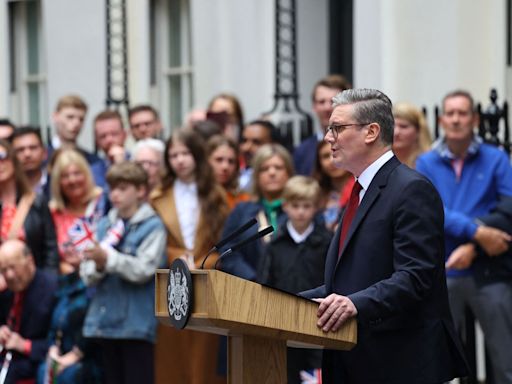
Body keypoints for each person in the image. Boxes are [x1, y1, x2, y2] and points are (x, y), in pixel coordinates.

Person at [303, 88, 467, 383]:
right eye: (330, 129)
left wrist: (355, 304)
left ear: (371, 132)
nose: (329, 137)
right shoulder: (359, 191)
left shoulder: (410, 189)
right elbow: (347, 281)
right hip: (353, 357)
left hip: (399, 361)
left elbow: (416, 276)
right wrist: (283, 301)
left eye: (337, 128)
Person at [416, 89, 512, 384]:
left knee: (505, 357)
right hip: (444, 269)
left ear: (475, 119)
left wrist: (473, 246)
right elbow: (431, 210)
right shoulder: (426, 163)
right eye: (451, 113)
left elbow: (508, 208)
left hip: (489, 269)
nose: (456, 120)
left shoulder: (496, 158)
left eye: (462, 113)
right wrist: (476, 231)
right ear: (442, 120)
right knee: (439, 357)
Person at [150, 128, 229, 384]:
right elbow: (154, 240)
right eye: (173, 155)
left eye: (185, 153)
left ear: (197, 155)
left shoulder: (215, 193)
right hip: (171, 279)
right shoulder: (157, 197)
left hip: (208, 279)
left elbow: (226, 238)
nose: (180, 160)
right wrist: (176, 256)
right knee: (173, 352)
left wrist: (206, 261)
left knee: (205, 352)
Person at [80, 161, 166, 384]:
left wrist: (108, 259)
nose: (115, 194)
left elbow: (144, 269)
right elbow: (87, 274)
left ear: (140, 190)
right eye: (112, 188)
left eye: (122, 188)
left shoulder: (152, 226)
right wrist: (98, 264)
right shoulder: (104, 225)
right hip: (106, 323)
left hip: (136, 325)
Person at [257, 176, 331, 384]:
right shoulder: (275, 245)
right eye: (295, 205)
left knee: (316, 375)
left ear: (316, 207)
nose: (300, 212)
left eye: (306, 206)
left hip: (318, 323)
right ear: (286, 206)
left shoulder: (326, 243)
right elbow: (265, 283)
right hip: (282, 325)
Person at [220, 143, 294, 281]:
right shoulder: (241, 211)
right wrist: (253, 279)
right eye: (264, 169)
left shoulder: (302, 209)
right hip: (249, 289)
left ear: (289, 173)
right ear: (256, 176)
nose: (272, 173)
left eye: (278, 167)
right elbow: (227, 252)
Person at [0, 239, 58, 383]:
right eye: (3, 270)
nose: (9, 275)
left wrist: (25, 345)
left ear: (29, 260)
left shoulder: (52, 289)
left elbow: (58, 344)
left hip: (34, 362)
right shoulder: (6, 292)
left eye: (13, 267)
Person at [0, 139, 58, 272]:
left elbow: (50, 248)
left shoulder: (36, 202)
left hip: (35, 280)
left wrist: (48, 281)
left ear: (14, 161)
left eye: (3, 157)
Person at [49, 149, 109, 274]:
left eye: (77, 173)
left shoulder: (104, 203)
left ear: (86, 175)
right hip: (70, 284)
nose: (72, 180)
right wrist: (60, 266)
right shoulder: (53, 213)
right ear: (57, 182)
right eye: (65, 176)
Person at [294, 74, 351, 176]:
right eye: (321, 102)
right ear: (314, 106)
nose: (327, 108)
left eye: (333, 101)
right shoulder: (303, 151)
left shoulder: (358, 144)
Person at [49, 95, 107, 188]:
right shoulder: (41, 157)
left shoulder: (93, 161)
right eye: (70, 117)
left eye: (81, 119)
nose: (76, 123)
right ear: (56, 116)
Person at [312, 140, 354, 231]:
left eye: (337, 153)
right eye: (326, 156)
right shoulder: (313, 193)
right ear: (319, 163)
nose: (332, 160)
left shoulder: (362, 188)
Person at [207, 135, 250, 209]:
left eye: (231, 161)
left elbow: (253, 220)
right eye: (219, 160)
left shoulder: (244, 200)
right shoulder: (196, 195)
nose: (225, 167)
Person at [11, 126, 49, 198]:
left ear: (44, 153)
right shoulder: (8, 189)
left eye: (33, 148)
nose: (27, 154)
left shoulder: (58, 184)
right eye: (20, 150)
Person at [238, 120, 276, 191]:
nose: (247, 147)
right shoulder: (236, 176)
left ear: (273, 145)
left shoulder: (278, 180)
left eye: (256, 142)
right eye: (244, 141)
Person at [392, 102, 432, 168]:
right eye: (392, 126)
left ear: (418, 131)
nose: (396, 132)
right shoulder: (377, 160)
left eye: (403, 126)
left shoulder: (429, 163)